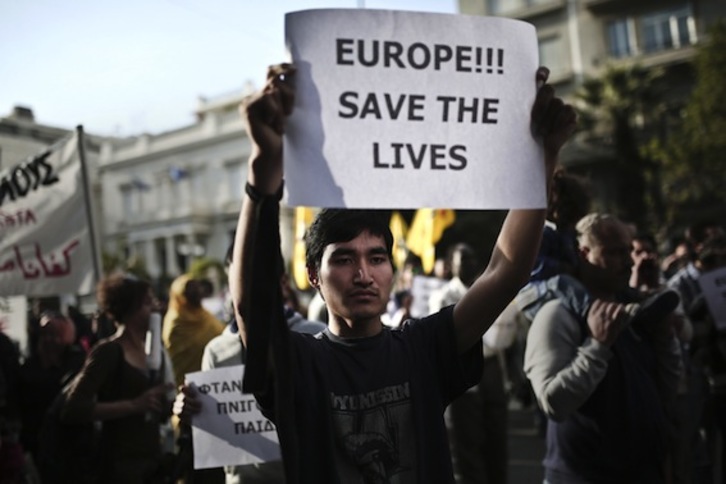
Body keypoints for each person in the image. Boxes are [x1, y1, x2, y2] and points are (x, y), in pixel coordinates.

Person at [226, 62, 576, 483]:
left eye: (376, 258)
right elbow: (250, 306)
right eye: (342, 259)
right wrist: (262, 169)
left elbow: (506, 269)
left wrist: (543, 157)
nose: (362, 274)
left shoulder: (424, 348)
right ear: (313, 276)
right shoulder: (300, 363)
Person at [524, 213, 683, 483]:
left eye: (628, 252)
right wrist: (598, 346)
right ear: (584, 253)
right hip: (583, 475)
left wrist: (665, 337)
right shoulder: (557, 315)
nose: (627, 262)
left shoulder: (636, 310)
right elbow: (554, 402)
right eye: (614, 253)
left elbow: (667, 389)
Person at [174, 272, 326, 484]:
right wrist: (192, 412)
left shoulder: (315, 337)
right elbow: (216, 427)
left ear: (281, 283)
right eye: (241, 279)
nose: (249, 291)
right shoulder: (216, 350)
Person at [61, 275, 175, 483]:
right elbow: (74, 408)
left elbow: (159, 409)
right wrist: (133, 405)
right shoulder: (108, 351)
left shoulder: (154, 351)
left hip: (151, 464)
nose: (157, 308)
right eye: (148, 303)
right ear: (132, 309)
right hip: (118, 466)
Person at [428, 243, 508, 484]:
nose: (470, 264)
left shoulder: (487, 290)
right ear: (452, 265)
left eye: (473, 258)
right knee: (468, 445)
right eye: (463, 259)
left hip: (492, 371)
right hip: (464, 378)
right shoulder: (443, 297)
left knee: (496, 441)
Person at [18, 310, 86, 468]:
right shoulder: (29, 367)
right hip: (36, 438)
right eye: (45, 334)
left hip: (70, 441)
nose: (49, 340)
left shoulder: (76, 363)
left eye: (55, 334)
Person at [162, 274, 225, 388]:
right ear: (180, 296)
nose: (197, 292)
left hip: (216, 382)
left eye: (198, 287)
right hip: (188, 386)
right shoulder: (176, 323)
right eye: (190, 289)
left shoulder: (205, 315)